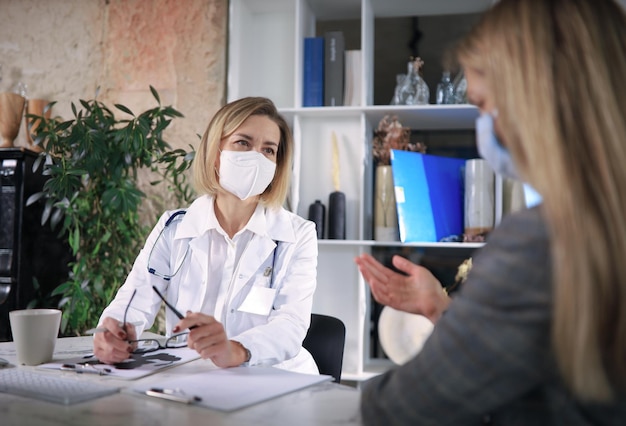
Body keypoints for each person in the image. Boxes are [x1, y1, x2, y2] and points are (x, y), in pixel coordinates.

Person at [355, 0, 626, 424]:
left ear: (534, 100)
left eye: (482, 105)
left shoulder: (539, 241)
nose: (482, 123)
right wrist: (443, 310)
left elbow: (404, 408)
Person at [93, 97, 319, 374]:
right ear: (215, 153)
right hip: (194, 377)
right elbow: (134, 298)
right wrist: (112, 331)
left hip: (276, 378)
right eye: (243, 143)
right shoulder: (174, 228)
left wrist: (234, 349)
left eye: (268, 150)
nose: (256, 157)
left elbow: (290, 325)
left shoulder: (297, 235)